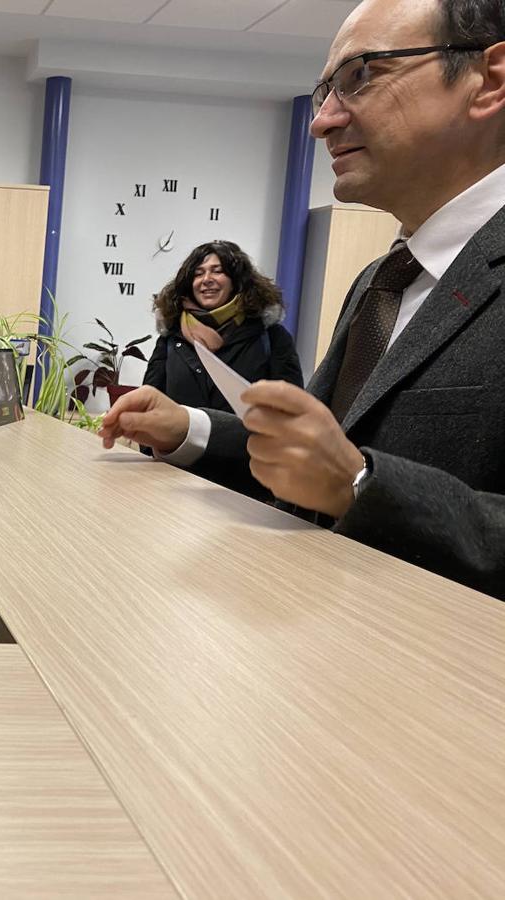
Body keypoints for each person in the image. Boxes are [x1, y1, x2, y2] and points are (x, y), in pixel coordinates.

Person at [102, 0, 505, 602]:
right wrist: (187, 426)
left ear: (488, 80)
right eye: (325, 92)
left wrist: (364, 483)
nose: (321, 122)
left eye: (361, 75)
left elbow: (342, 473)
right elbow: (303, 459)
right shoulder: (380, 281)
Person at [143, 240, 303, 412]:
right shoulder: (171, 338)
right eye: (198, 274)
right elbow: (149, 405)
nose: (206, 280)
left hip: (247, 439)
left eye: (217, 272)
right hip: (180, 439)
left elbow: (291, 409)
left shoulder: (270, 337)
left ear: (236, 280)